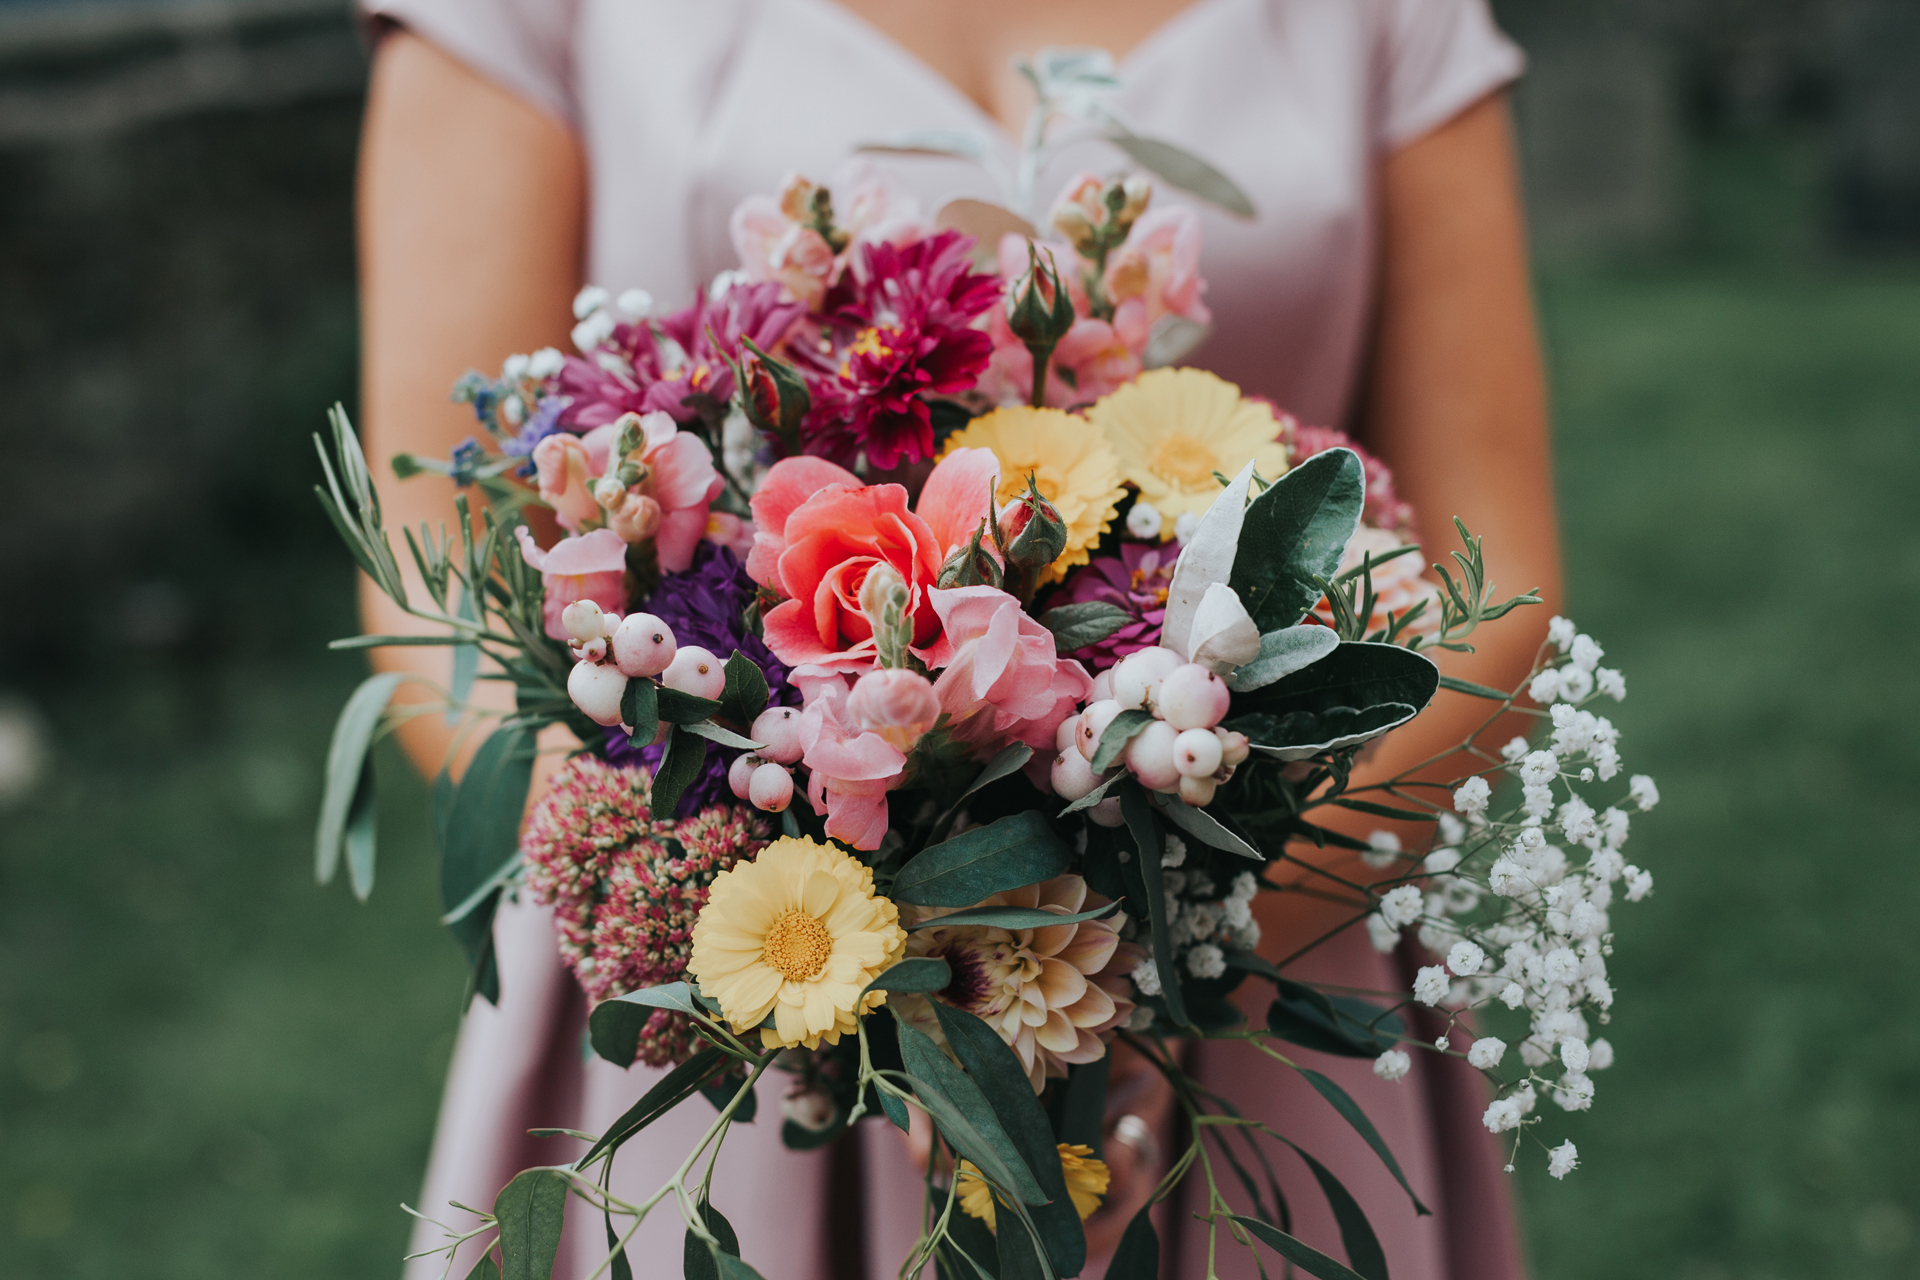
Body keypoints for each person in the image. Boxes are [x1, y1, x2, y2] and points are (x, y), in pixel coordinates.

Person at [354, 1, 1561, 1275]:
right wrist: (769, 954)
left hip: (1259, 948)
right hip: (744, 1008)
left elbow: (1502, 584)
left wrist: (1139, 979)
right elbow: (432, 553)